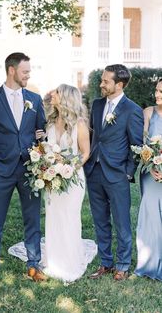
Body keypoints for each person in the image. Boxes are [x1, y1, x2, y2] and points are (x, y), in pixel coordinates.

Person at [9, 84, 97, 282]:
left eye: (56, 92)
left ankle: (69, 260)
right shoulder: (49, 122)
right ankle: (54, 257)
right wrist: (47, 162)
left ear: (64, 97)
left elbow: (85, 153)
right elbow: (47, 148)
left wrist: (69, 169)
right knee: (53, 215)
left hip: (72, 179)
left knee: (69, 216)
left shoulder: (79, 124)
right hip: (51, 177)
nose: (51, 93)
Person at [0, 52, 46, 288]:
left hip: (29, 169)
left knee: (32, 218)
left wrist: (41, 143)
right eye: (25, 71)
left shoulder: (35, 100)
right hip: (0, 168)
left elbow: (41, 132)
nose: (29, 75)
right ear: (12, 70)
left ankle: (34, 264)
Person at [84, 64, 144, 281]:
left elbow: (136, 146)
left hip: (117, 174)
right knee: (100, 221)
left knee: (121, 221)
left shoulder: (132, 110)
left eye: (105, 81)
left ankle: (123, 264)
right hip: (94, 171)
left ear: (119, 84)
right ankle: (106, 262)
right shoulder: (97, 105)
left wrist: (128, 172)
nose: (101, 84)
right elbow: (94, 136)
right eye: (101, 79)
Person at [135, 78, 162, 281]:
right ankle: (148, 262)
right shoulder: (148, 113)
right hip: (150, 173)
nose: (157, 94)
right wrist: (152, 164)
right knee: (150, 216)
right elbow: (141, 143)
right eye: (157, 90)